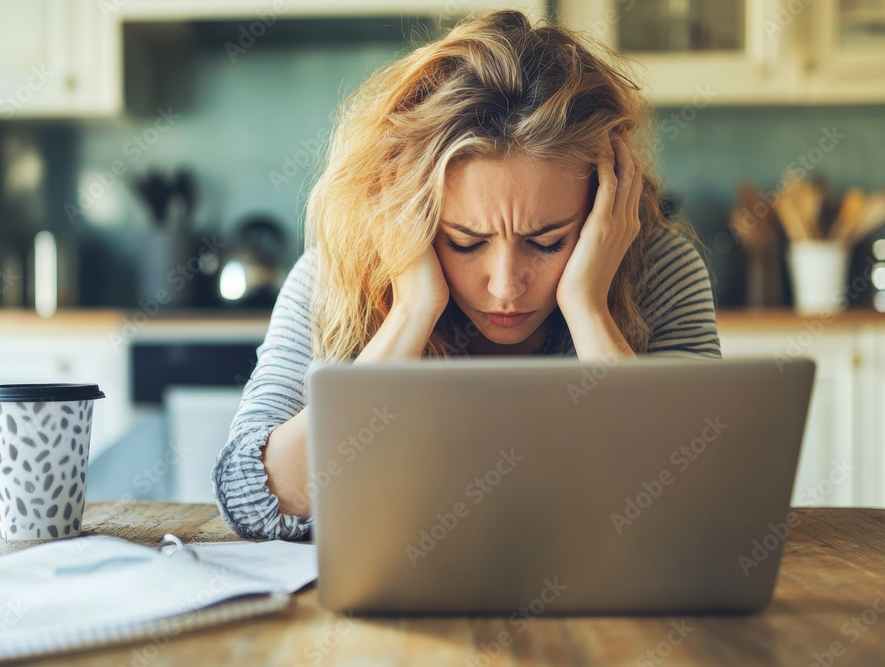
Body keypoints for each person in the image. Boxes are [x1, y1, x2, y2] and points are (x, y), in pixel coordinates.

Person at [212, 10, 722, 540]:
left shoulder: (661, 271)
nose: (505, 285)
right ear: (413, 216)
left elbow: (693, 503)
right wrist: (410, 316)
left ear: (605, 206)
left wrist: (589, 310)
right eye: (466, 242)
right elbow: (255, 499)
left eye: (548, 242)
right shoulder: (333, 276)